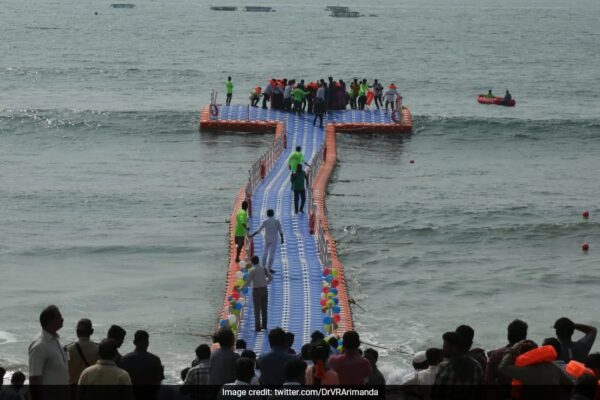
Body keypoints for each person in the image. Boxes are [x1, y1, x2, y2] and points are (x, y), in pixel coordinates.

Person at [498, 340, 573, 397]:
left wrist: (513, 349)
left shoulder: (525, 372)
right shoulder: (553, 367)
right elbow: (571, 384)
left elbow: (502, 367)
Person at [431, 331, 484, 400]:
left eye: (445, 346)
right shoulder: (476, 366)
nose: (443, 348)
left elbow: (435, 394)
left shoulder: (444, 367)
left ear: (454, 348)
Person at [486, 319, 528, 399]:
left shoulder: (495, 355)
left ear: (508, 335)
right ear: (525, 337)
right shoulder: (529, 355)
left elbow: (489, 381)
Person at [28, 305, 69, 386]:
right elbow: (34, 378)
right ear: (49, 321)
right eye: (59, 317)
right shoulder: (39, 346)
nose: (62, 319)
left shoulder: (56, 340)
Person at [120, 330, 164, 400]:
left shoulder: (124, 359)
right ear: (147, 343)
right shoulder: (155, 360)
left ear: (134, 342)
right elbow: (158, 383)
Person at [241, 255, 272, 332]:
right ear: (258, 261)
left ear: (252, 262)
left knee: (257, 310)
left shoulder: (252, 270)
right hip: (265, 290)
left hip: (257, 291)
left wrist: (241, 288)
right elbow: (271, 277)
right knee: (264, 309)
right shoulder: (263, 268)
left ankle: (257, 327)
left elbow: (248, 283)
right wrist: (266, 283)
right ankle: (264, 326)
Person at [66, 318, 99, 386]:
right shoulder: (99, 349)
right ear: (92, 331)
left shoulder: (68, 350)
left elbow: (65, 371)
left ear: (77, 331)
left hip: (73, 388)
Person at [250, 209, 283, 273]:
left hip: (267, 238)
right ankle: (269, 268)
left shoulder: (265, 221)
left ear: (267, 214)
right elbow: (280, 231)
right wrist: (282, 239)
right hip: (274, 239)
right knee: (272, 254)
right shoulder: (277, 221)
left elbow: (259, 230)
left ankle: (263, 267)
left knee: (265, 252)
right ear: (273, 214)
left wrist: (252, 235)